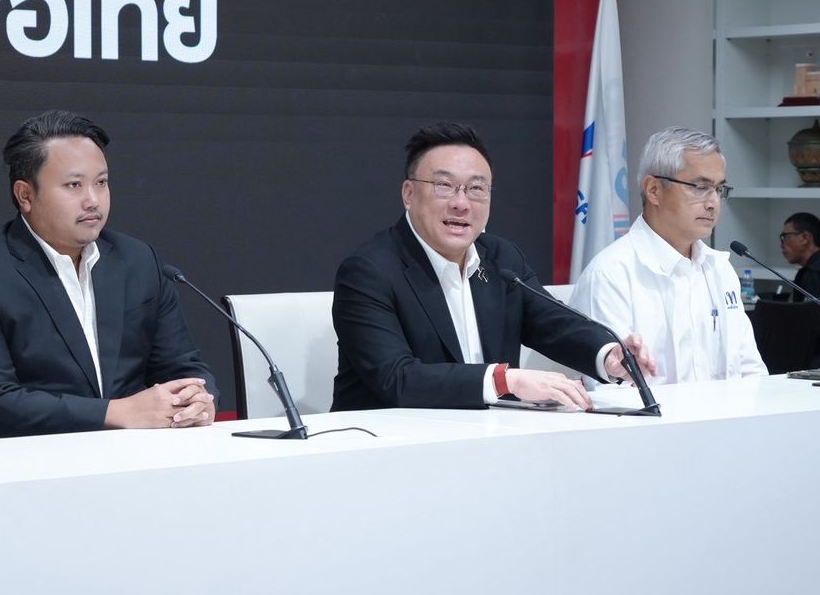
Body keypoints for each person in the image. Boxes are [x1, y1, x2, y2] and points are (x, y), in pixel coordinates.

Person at [0, 110, 218, 440]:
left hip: (128, 453)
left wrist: (196, 399)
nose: (93, 200)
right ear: (25, 195)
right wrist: (116, 412)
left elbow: (182, 364)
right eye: (74, 185)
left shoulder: (138, 261)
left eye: (101, 182)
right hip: (19, 456)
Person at [332, 122, 653, 411]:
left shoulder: (500, 258)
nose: (461, 203)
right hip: (389, 443)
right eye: (444, 186)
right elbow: (396, 378)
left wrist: (608, 355)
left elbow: (553, 324)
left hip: (488, 437)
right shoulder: (368, 271)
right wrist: (503, 380)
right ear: (409, 194)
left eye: (476, 189)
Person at [569, 127, 767, 385]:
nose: (713, 203)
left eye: (719, 189)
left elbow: (751, 372)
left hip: (728, 412)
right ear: (654, 190)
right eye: (700, 187)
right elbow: (607, 389)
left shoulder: (720, 270)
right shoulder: (610, 275)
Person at [779, 212, 820, 302]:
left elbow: (810, 310)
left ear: (805, 238)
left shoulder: (814, 273)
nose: (781, 245)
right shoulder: (806, 271)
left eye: (785, 237)